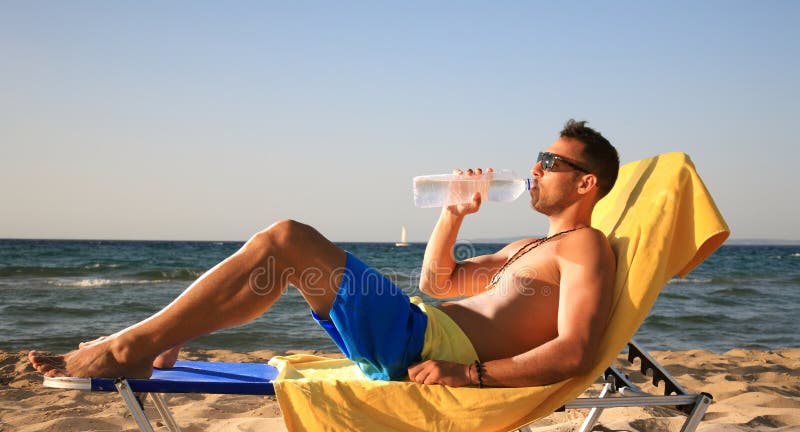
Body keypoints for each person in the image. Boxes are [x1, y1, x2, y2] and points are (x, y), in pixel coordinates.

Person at [28, 119, 619, 388]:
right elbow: (441, 282)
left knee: (287, 239)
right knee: (279, 254)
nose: (535, 170)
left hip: (423, 345)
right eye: (538, 158)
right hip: (420, 325)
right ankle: (144, 341)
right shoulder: (531, 247)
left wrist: (470, 374)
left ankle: (132, 346)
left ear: (586, 183)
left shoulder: (586, 248)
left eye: (552, 163)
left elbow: (575, 352)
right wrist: (453, 214)